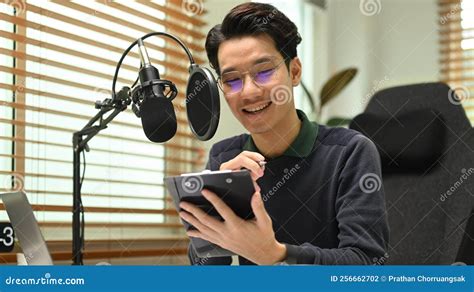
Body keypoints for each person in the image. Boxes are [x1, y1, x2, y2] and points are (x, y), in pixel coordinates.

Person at [178, 2, 389, 265]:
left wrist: (276, 255)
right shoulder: (225, 157)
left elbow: (366, 264)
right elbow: (208, 271)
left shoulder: (349, 153)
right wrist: (214, 216)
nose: (249, 92)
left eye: (264, 71)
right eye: (232, 80)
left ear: (295, 71)